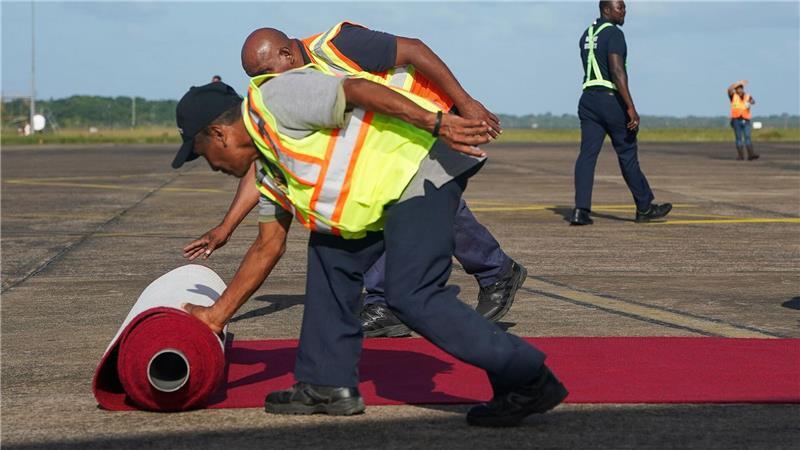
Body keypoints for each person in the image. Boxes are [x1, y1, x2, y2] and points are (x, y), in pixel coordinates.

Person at [173, 69, 567, 425]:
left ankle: (528, 377)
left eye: (203, 154)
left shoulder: (276, 99)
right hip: (382, 198)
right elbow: (268, 246)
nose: (212, 166)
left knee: (413, 294)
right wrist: (214, 316)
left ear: (219, 134)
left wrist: (438, 122)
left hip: (419, 172)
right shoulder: (271, 168)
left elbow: (358, 89)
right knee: (328, 257)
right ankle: (326, 385)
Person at [183, 24, 527, 337]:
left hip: (428, 116)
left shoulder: (337, 45)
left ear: (287, 54)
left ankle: (496, 272)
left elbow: (414, 49)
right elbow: (265, 160)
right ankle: (384, 303)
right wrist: (225, 227)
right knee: (370, 206)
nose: (263, 83)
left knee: (427, 202)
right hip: (392, 137)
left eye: (265, 72)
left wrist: (464, 104)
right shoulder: (286, 96)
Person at [569, 1, 672, 226]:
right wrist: (630, 107)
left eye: (624, 7)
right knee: (627, 153)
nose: (624, 11)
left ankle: (580, 211)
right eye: (620, 7)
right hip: (610, 100)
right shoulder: (614, 34)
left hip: (588, 100)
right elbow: (616, 70)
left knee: (587, 155)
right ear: (606, 10)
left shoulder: (587, 34)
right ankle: (644, 208)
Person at [727, 80, 759, 161]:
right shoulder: (733, 96)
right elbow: (729, 89)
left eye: (740, 88)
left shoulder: (747, 96)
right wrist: (738, 83)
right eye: (737, 88)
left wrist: (750, 103)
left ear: (742, 89)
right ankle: (741, 156)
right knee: (739, 138)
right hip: (736, 120)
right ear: (736, 89)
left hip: (746, 119)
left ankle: (751, 155)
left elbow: (753, 101)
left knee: (748, 137)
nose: (739, 90)